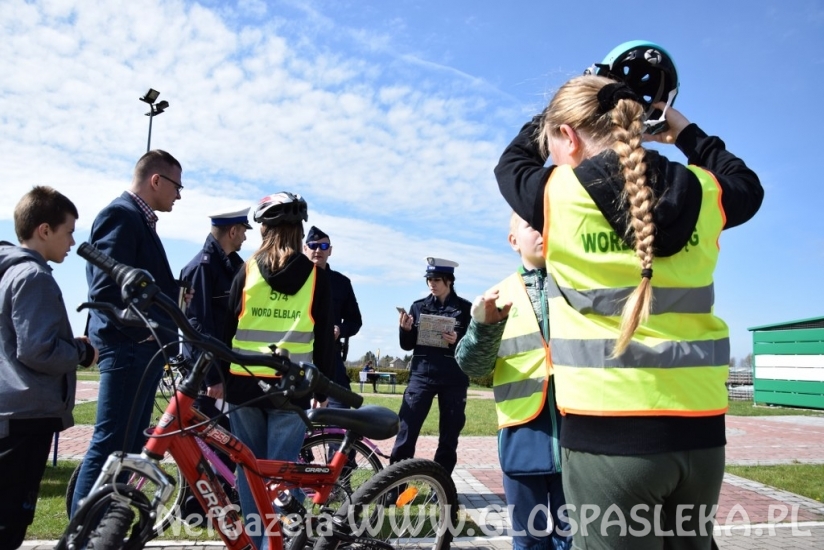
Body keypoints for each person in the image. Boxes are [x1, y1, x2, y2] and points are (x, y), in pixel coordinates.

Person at [494, 42, 763, 549]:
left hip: (608, 438)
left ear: (566, 136)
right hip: (700, 436)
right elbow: (746, 184)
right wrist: (682, 129)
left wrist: (584, 89)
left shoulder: (558, 195)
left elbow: (511, 162)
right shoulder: (704, 193)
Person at [71, 149, 186, 516]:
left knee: (129, 448)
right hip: (130, 350)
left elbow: (141, 284)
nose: (179, 195)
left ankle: (103, 530)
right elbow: (106, 290)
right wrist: (144, 334)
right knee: (109, 447)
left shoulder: (140, 221)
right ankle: (83, 534)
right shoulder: (121, 215)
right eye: (176, 185)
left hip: (142, 352)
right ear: (156, 181)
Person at [222, 192, 334, 549]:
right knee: (282, 471)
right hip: (293, 388)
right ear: (299, 231)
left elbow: (226, 330)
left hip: (244, 386)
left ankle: (257, 541)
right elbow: (324, 342)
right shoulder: (317, 277)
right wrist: (323, 389)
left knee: (249, 469)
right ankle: (283, 541)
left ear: (264, 231)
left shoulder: (246, 271)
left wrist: (221, 380)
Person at [456, 212, 570, 550]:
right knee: (530, 541)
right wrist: (483, 328)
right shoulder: (498, 295)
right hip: (523, 438)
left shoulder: (581, 287)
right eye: (531, 223)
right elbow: (473, 366)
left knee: (575, 538)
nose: (542, 229)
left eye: (549, 220)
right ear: (513, 241)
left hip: (579, 437)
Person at [0, 187, 98, 550]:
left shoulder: (9, 272)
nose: (73, 241)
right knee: (11, 520)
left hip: (11, 412)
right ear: (44, 230)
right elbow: (38, 350)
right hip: (26, 415)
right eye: (69, 230)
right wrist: (82, 352)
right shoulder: (34, 276)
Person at [178, 207, 250, 521]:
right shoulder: (201, 268)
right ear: (232, 231)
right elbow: (197, 328)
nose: (247, 235)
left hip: (229, 372)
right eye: (243, 230)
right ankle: (197, 507)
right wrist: (211, 377)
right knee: (209, 445)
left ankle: (222, 504)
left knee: (227, 443)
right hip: (211, 376)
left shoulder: (234, 265)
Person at [392, 257, 471, 475]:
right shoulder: (418, 307)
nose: (431, 284)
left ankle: (441, 485)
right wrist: (406, 329)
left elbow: (474, 344)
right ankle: (395, 486)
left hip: (453, 379)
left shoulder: (466, 309)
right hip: (421, 376)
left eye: (436, 279)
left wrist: (459, 338)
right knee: (406, 431)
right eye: (429, 279)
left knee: (449, 436)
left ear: (449, 281)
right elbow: (407, 346)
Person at [302, 225, 363, 407]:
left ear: (330, 251)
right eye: (313, 246)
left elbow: (355, 321)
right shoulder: (293, 278)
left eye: (323, 246)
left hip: (330, 355)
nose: (317, 251)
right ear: (304, 249)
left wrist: (340, 329)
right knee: (296, 415)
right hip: (299, 354)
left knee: (341, 411)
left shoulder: (341, 283)